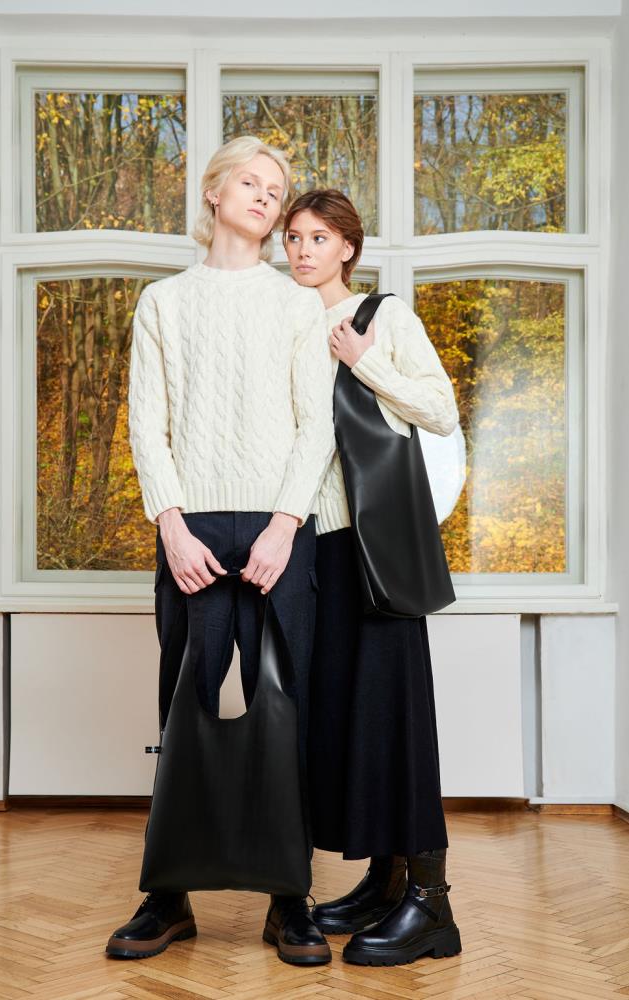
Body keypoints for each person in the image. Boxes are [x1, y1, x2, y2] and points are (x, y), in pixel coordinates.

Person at [105, 138, 335, 966]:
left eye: (277, 190)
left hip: (278, 531)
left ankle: (290, 899)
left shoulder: (295, 306)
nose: (267, 198)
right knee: (184, 705)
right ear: (211, 193)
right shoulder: (163, 302)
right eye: (251, 181)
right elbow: (146, 425)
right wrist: (170, 525)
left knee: (287, 705)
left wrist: (284, 525)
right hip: (191, 527)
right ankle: (166, 898)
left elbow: (315, 426)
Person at [283, 188, 463, 967]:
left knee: (397, 714)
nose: (301, 250)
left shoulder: (381, 317)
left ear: (348, 248)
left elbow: (440, 409)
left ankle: (431, 904)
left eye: (318, 237)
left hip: (376, 544)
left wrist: (366, 362)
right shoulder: (283, 323)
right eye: (292, 237)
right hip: (316, 547)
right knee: (347, 715)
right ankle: (383, 880)